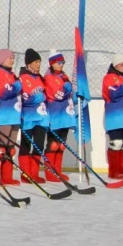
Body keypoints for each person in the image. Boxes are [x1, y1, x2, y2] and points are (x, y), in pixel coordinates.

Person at [0, 49, 21, 185]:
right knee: (0, 148)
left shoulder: (12, 75)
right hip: (4, 116)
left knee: (10, 149)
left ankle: (6, 177)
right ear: (2, 60)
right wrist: (16, 87)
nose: (12, 60)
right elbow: (4, 93)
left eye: (13, 58)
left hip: (15, 115)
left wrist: (15, 86)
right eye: (10, 58)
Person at [43, 50, 75, 182]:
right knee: (53, 144)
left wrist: (69, 88)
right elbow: (58, 95)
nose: (61, 65)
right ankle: (51, 172)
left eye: (63, 62)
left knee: (61, 144)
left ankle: (58, 170)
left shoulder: (64, 76)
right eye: (59, 62)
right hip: (55, 114)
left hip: (65, 115)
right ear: (52, 63)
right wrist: (66, 89)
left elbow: (69, 93)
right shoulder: (49, 77)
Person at [18, 48, 48, 183]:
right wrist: (38, 98)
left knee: (39, 145)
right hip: (28, 117)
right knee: (26, 145)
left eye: (39, 61)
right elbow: (24, 98)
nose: (38, 64)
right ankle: (26, 174)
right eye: (36, 61)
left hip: (41, 118)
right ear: (29, 63)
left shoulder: (39, 77)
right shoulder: (24, 78)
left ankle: (34, 173)